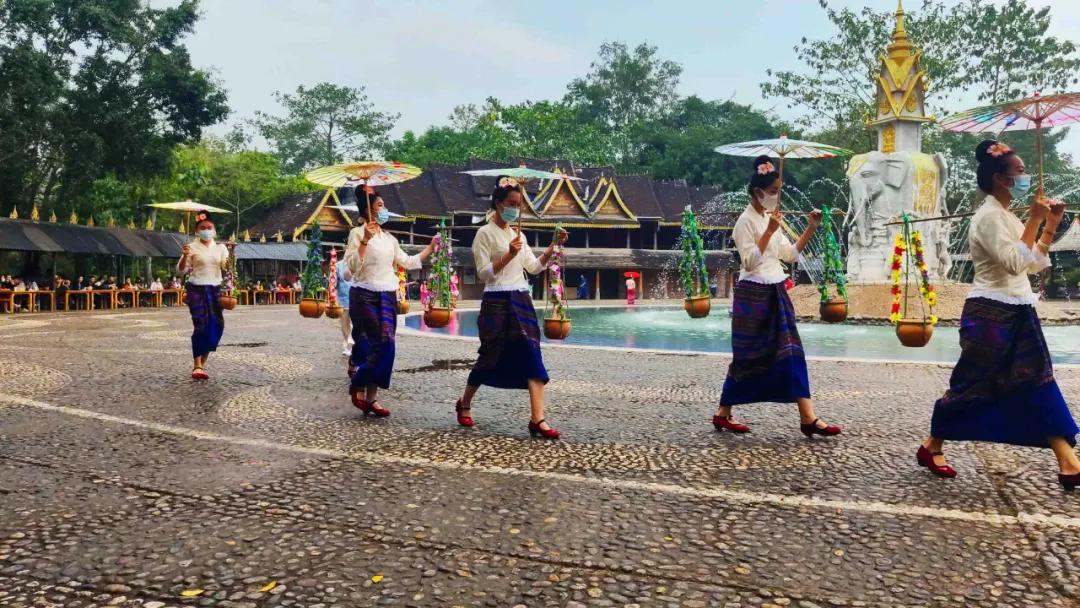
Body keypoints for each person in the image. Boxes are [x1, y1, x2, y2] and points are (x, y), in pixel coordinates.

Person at [918, 140, 1079, 491]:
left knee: (1035, 379)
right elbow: (1012, 262)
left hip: (1018, 309)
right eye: (1019, 172)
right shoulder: (988, 216)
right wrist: (1035, 219)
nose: (1025, 178)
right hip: (990, 314)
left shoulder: (1007, 215)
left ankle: (1068, 461)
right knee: (973, 385)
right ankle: (933, 444)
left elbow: (1033, 264)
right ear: (1000, 179)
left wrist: (1049, 224)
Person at [712, 155, 840, 438]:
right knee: (747, 357)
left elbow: (790, 254)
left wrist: (810, 227)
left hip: (776, 290)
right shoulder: (744, 223)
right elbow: (748, 262)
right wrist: (768, 232)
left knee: (791, 350)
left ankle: (808, 417)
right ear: (758, 192)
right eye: (773, 192)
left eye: (778, 191)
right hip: (753, 293)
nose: (776, 196)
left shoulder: (771, 218)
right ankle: (723, 413)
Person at [453, 176, 568, 438]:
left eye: (519, 204)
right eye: (512, 203)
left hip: (520, 299)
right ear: (498, 203)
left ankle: (537, 419)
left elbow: (534, 268)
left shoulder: (519, 235)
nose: (516, 209)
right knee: (489, 355)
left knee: (531, 354)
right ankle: (465, 402)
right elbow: (483, 274)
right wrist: (508, 255)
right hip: (496, 301)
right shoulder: (484, 234)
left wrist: (552, 247)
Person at [344, 190, 434, 416]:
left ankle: (371, 397)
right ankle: (358, 383)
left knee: (388, 346)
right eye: (380, 205)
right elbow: (351, 268)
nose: (384, 209)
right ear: (368, 208)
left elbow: (407, 261)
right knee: (376, 343)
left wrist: (431, 248)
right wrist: (365, 239)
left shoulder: (390, 239)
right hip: (364, 293)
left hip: (387, 294)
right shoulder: (356, 234)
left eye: (384, 205)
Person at [176, 210, 235, 380]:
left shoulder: (221, 248)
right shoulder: (191, 247)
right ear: (197, 230)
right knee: (200, 325)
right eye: (203, 227)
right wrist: (185, 256)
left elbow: (226, 267)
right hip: (196, 289)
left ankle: (204, 361)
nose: (206, 230)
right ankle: (197, 365)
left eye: (209, 227)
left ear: (214, 231)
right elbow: (182, 270)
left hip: (215, 289)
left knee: (216, 326)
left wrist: (231, 254)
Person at [334, 248, 356, 356]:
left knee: (357, 324)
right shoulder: (338, 265)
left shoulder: (358, 264)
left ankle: (353, 345)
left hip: (357, 299)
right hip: (343, 299)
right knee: (344, 325)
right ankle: (348, 344)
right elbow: (334, 282)